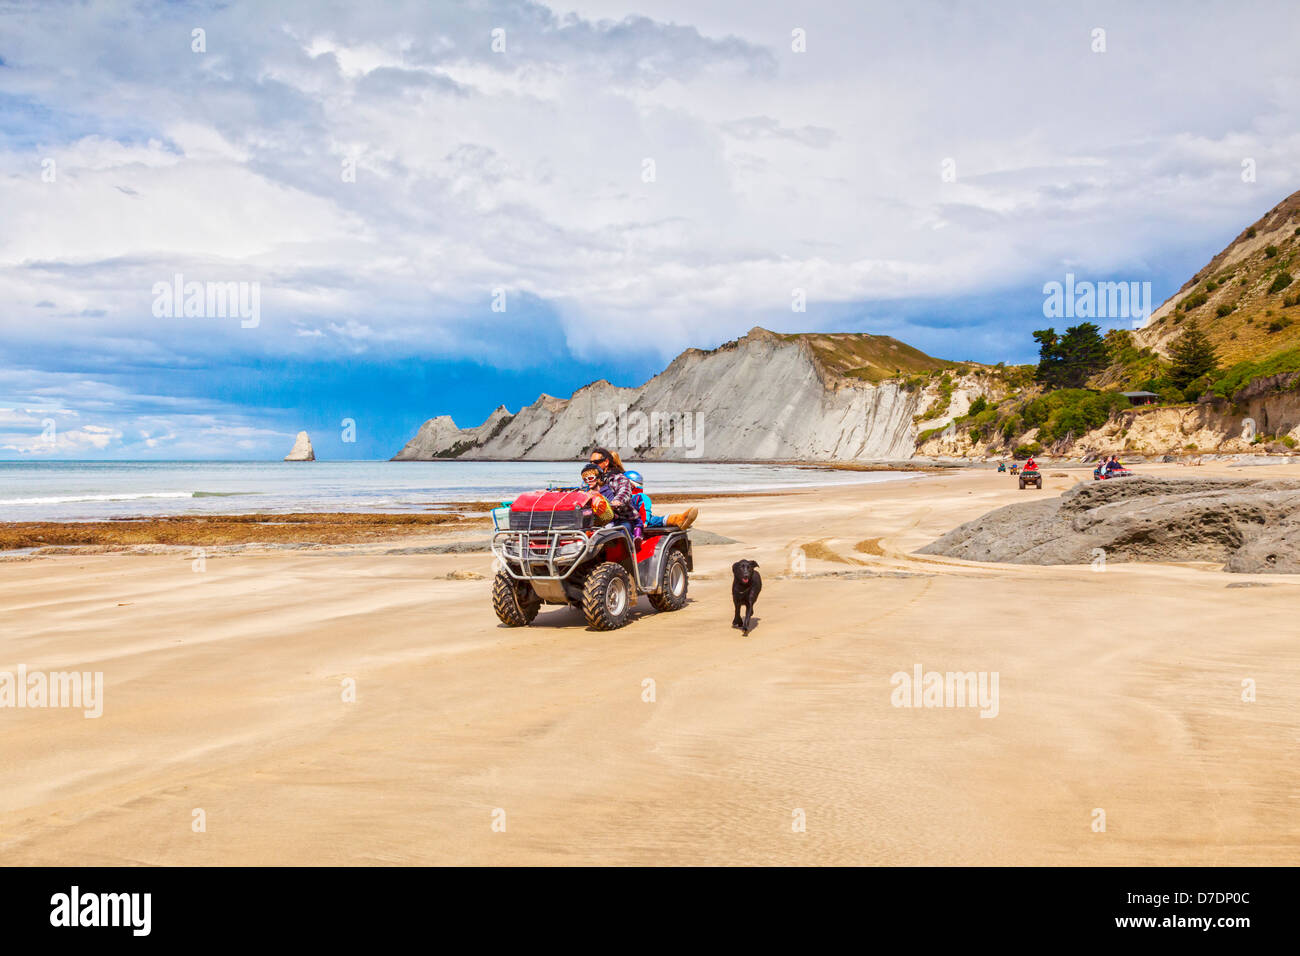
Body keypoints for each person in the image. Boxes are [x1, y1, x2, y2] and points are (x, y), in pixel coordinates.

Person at [625, 470, 697, 530]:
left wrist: (644, 522)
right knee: (658, 520)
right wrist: (645, 522)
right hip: (640, 521)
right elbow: (645, 510)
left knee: (656, 520)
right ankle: (680, 519)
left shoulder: (623, 497)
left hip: (630, 522)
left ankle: (680, 519)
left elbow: (644, 510)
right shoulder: (641, 496)